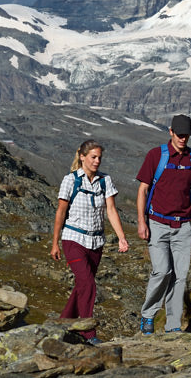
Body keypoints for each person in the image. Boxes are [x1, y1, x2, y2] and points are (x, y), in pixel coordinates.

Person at [50, 139, 129, 345]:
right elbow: (61, 212)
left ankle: (62, 325)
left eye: (99, 158)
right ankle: (88, 334)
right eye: (93, 157)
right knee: (88, 284)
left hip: (96, 242)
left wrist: (121, 237)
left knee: (81, 288)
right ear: (82, 157)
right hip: (73, 239)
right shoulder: (71, 180)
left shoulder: (105, 180)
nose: (97, 161)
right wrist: (55, 243)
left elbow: (110, 210)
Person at [136, 114, 191, 335]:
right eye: (179, 135)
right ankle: (148, 315)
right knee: (162, 271)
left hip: (184, 226)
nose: (183, 139)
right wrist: (141, 222)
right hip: (156, 223)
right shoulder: (156, 156)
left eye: (186, 135)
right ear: (170, 132)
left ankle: (173, 325)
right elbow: (143, 190)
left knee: (180, 276)